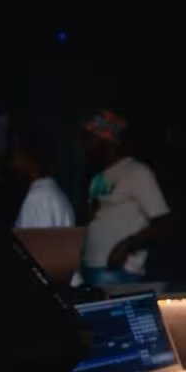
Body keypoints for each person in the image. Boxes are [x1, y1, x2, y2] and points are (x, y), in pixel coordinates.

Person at [80, 110, 172, 286]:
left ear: (105, 138)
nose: (85, 143)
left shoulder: (137, 172)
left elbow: (163, 222)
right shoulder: (97, 177)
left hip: (119, 272)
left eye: (90, 137)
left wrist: (126, 246)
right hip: (90, 266)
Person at [9, 133, 75, 228]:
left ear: (30, 157)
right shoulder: (48, 192)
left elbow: (41, 237)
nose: (12, 160)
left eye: (17, 152)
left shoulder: (39, 197)